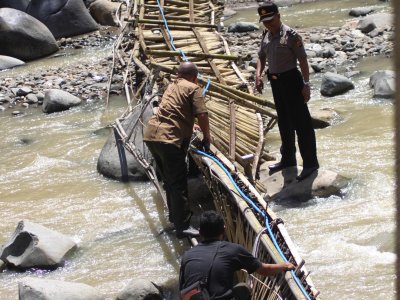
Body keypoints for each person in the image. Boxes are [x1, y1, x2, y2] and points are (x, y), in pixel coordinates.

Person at [143, 62, 211, 239]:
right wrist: (207, 137)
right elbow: (202, 114)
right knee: (179, 183)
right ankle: (183, 226)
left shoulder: (171, 86)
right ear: (194, 77)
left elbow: (175, 111)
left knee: (168, 181)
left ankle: (174, 217)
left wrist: (190, 123)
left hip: (151, 136)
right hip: (169, 140)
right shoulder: (194, 88)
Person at [255, 1, 319, 181]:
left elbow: (303, 60)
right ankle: (288, 159)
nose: (268, 23)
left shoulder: (291, 35)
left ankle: (310, 164)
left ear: (278, 16)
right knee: (284, 123)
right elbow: (261, 55)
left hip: (292, 81)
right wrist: (258, 75)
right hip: (276, 83)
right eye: (265, 20)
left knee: (302, 124)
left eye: (271, 19)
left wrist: (306, 84)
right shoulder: (266, 35)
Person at [179, 210, 295, 300]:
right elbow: (264, 270)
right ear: (224, 230)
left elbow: (182, 288)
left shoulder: (187, 255)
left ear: (200, 232)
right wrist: (284, 266)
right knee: (243, 289)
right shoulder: (233, 250)